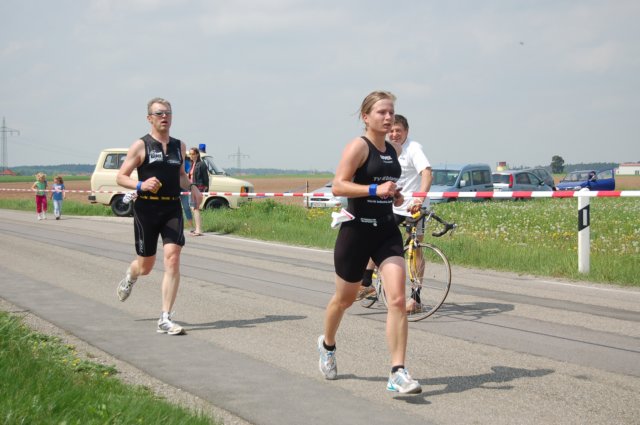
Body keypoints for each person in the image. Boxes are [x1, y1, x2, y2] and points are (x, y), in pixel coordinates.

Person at [317, 90, 422, 394]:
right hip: (357, 233)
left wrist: (394, 194)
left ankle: (398, 372)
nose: (388, 117)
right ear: (366, 117)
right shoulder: (358, 147)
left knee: (397, 300)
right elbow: (339, 186)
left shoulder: (393, 149)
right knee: (345, 300)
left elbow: (385, 184)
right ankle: (327, 345)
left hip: (386, 231)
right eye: (381, 112)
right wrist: (375, 191)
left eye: (391, 112)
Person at [115, 97, 201, 335]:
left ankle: (165, 318)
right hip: (147, 209)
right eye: (160, 113)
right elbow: (121, 176)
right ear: (149, 118)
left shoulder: (179, 146)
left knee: (172, 258)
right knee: (146, 266)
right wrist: (140, 184)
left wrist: (192, 187)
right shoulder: (140, 145)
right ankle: (131, 276)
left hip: (171, 207)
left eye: (168, 113)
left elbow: (181, 175)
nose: (165, 117)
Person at [356, 115, 433, 313]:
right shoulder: (386, 149)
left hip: (414, 207)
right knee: (376, 239)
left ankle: (415, 299)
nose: (394, 134)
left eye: (398, 130)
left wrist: (419, 199)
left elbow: (427, 173)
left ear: (406, 131)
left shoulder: (414, 148)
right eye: (391, 130)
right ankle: (366, 283)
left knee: (415, 249)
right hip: (393, 205)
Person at [187, 147, 208, 236]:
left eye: (193, 154)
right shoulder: (192, 164)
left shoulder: (201, 164)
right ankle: (197, 228)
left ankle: (198, 230)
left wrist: (205, 189)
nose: (191, 156)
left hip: (199, 187)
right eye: (190, 154)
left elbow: (206, 178)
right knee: (194, 208)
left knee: (196, 208)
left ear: (197, 154)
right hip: (192, 188)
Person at [181, 156, 195, 233]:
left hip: (183, 187)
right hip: (172, 186)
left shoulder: (186, 162)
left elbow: (188, 173)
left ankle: (191, 226)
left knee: (186, 207)